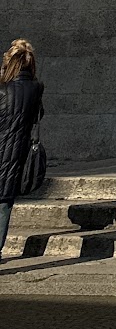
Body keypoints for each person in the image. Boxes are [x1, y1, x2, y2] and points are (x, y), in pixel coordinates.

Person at [0, 39, 44, 259]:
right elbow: (38, 116)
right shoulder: (36, 88)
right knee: (4, 203)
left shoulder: (2, 88)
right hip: (15, 154)